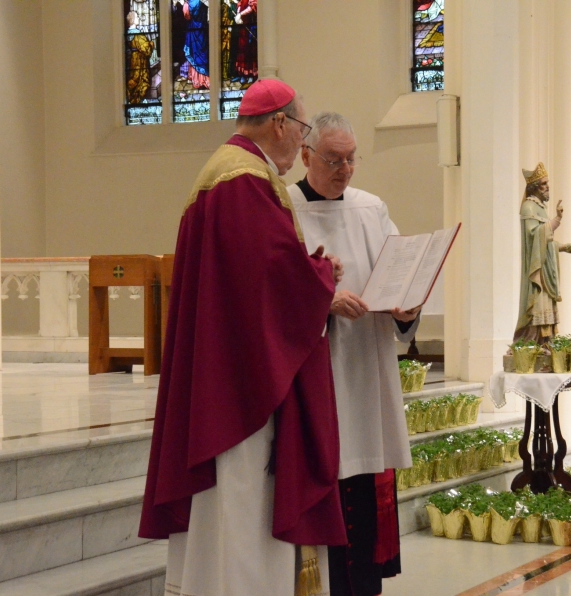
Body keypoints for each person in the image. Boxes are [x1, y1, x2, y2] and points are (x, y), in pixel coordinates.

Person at [139, 80, 348, 596]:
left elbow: (251, 276)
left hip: (224, 371)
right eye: (299, 131)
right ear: (279, 124)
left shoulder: (221, 173)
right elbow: (270, 278)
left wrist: (307, 273)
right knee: (242, 501)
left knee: (226, 506)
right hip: (242, 393)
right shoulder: (246, 180)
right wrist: (320, 277)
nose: (298, 148)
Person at [287, 112, 420, 596]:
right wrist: (322, 301)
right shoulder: (285, 211)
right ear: (306, 156)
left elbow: (399, 273)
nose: (344, 169)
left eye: (350, 159)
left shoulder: (371, 209)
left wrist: (408, 304)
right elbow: (273, 295)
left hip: (367, 373)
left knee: (364, 492)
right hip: (316, 377)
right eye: (332, 159)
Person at [513, 162, 571, 345]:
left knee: (547, 305)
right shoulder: (528, 207)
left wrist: (563, 247)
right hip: (536, 270)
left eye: (547, 183)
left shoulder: (540, 207)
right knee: (537, 306)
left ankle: (546, 343)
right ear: (534, 188)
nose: (548, 187)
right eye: (544, 184)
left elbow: (546, 242)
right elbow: (535, 237)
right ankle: (531, 345)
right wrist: (557, 220)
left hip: (545, 267)